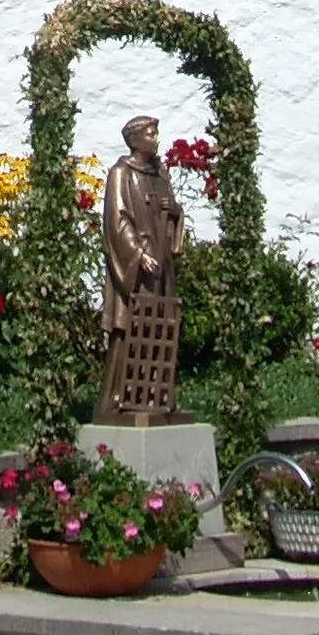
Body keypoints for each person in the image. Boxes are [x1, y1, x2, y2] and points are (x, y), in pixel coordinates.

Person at [98, 115, 185, 415]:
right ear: (135, 140)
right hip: (139, 265)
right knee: (133, 327)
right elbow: (117, 220)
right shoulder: (121, 174)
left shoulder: (160, 173)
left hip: (162, 264)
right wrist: (137, 254)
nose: (157, 139)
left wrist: (173, 211)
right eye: (151, 133)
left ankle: (157, 395)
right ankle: (121, 398)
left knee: (160, 327)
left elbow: (173, 213)